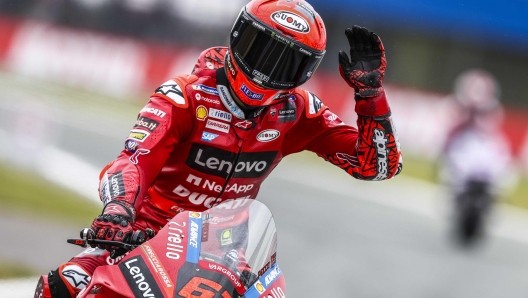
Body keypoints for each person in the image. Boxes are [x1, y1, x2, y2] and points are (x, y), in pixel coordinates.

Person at [34, 0, 402, 296]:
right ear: (239, 37)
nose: (265, 72)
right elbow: (133, 161)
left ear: (305, 72)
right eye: (260, 50)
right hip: (142, 240)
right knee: (64, 285)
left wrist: (370, 97)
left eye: (287, 62)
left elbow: (375, 166)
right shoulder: (184, 96)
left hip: (226, 258)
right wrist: (117, 211)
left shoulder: (298, 111)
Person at [438, 69, 516, 244]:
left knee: (503, 169)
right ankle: (455, 202)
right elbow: (448, 133)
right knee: (452, 173)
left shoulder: (493, 109)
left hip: (483, 147)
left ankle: (491, 204)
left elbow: (491, 133)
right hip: (463, 146)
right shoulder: (453, 106)